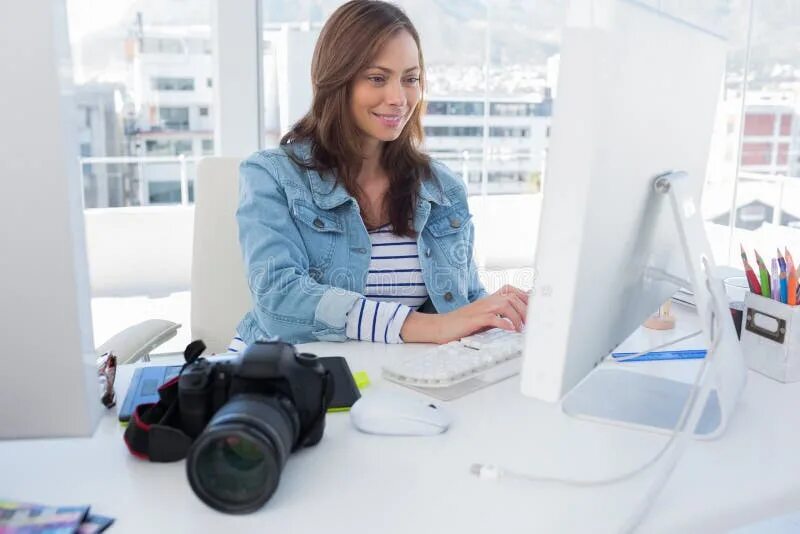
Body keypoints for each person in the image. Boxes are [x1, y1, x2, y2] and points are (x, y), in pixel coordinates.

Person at [230, 0, 528, 351]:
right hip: (287, 378)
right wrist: (425, 326)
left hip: (392, 377)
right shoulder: (271, 176)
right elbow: (279, 301)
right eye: (377, 78)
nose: (399, 98)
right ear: (337, 80)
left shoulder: (442, 188)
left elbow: (458, 305)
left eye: (410, 79)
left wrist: (499, 314)